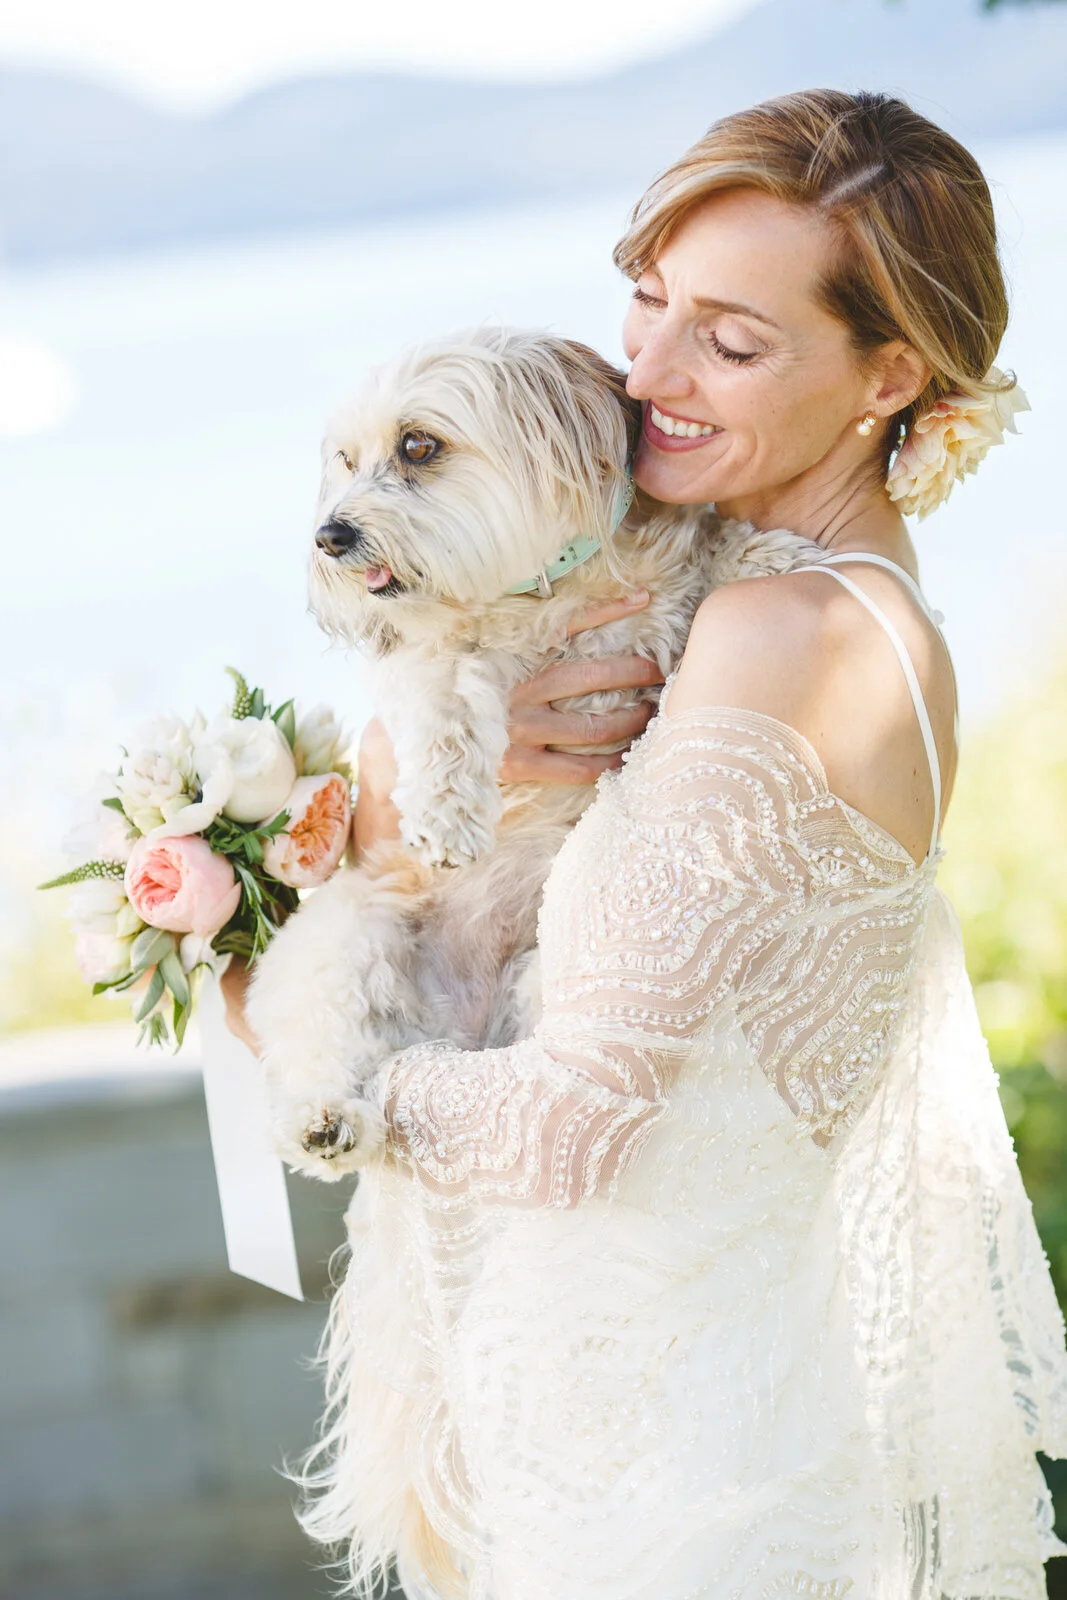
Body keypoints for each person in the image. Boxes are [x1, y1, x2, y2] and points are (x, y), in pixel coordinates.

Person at [225, 89, 1067, 1600]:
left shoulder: (779, 633)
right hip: (678, 1405)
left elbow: (572, 1125)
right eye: (649, 300)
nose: (646, 376)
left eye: (728, 342)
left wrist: (284, 1038)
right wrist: (397, 785)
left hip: (665, 1478)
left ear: (890, 375)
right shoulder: (817, 600)